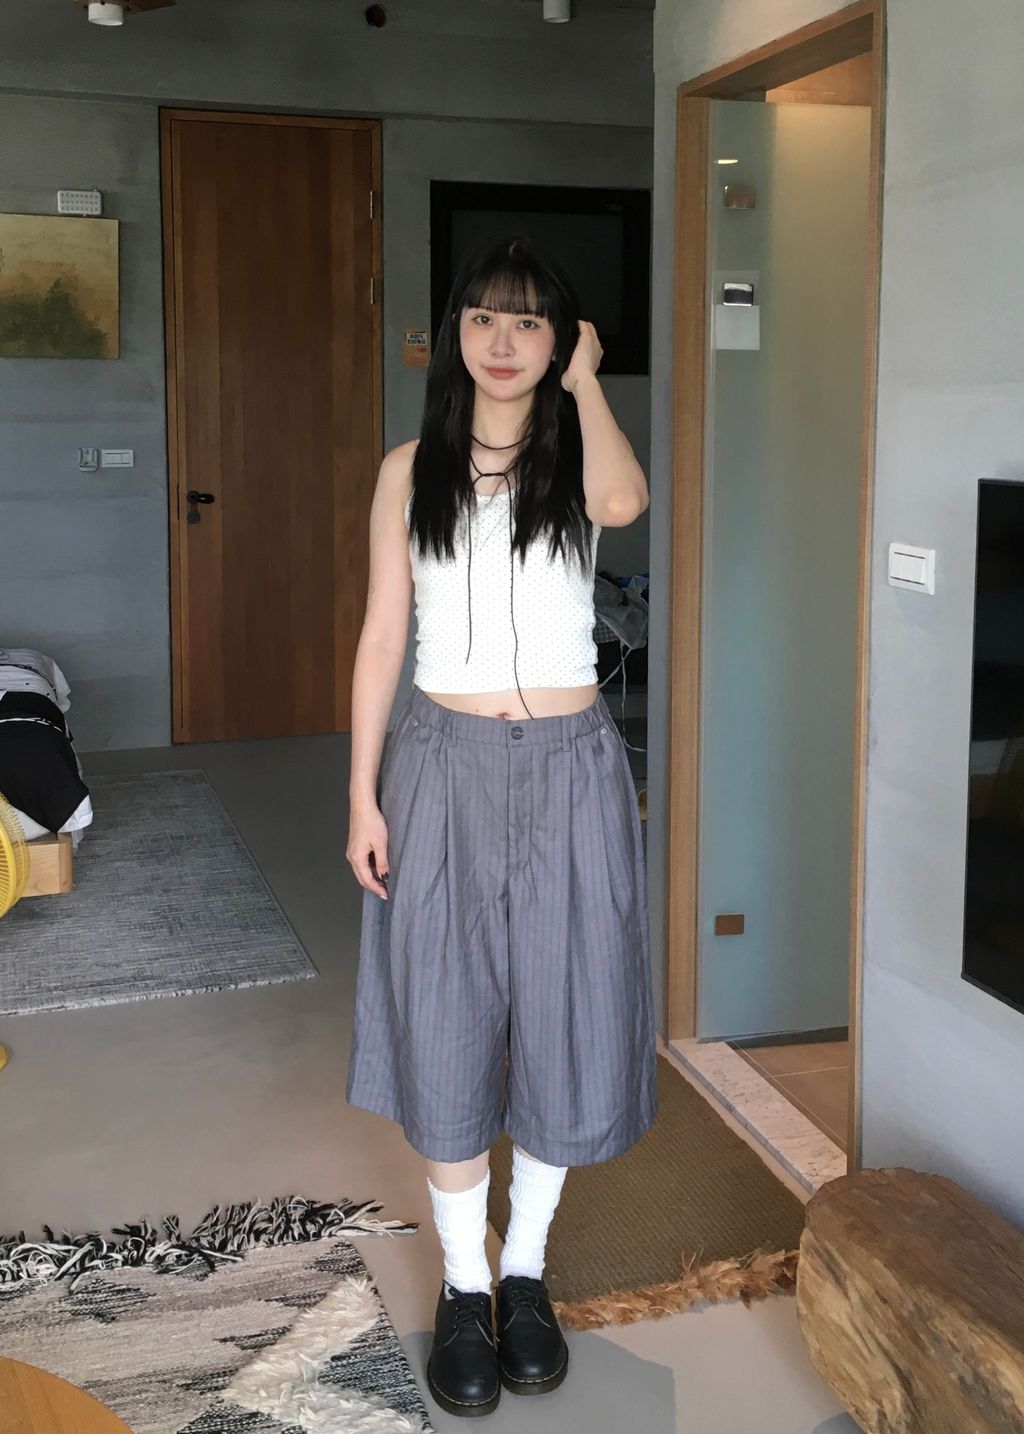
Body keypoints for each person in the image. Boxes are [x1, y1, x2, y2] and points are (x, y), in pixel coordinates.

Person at [345, 234, 658, 1419]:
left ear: (561, 339)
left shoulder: (577, 461)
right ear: (455, 333)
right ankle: (464, 1285)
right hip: (439, 764)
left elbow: (625, 504)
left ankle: (525, 1271)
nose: (504, 340)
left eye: (530, 321)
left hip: (572, 767)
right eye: (484, 316)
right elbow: (383, 636)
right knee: (445, 1011)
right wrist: (361, 793)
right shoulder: (407, 469)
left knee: (568, 1007)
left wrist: (587, 383)